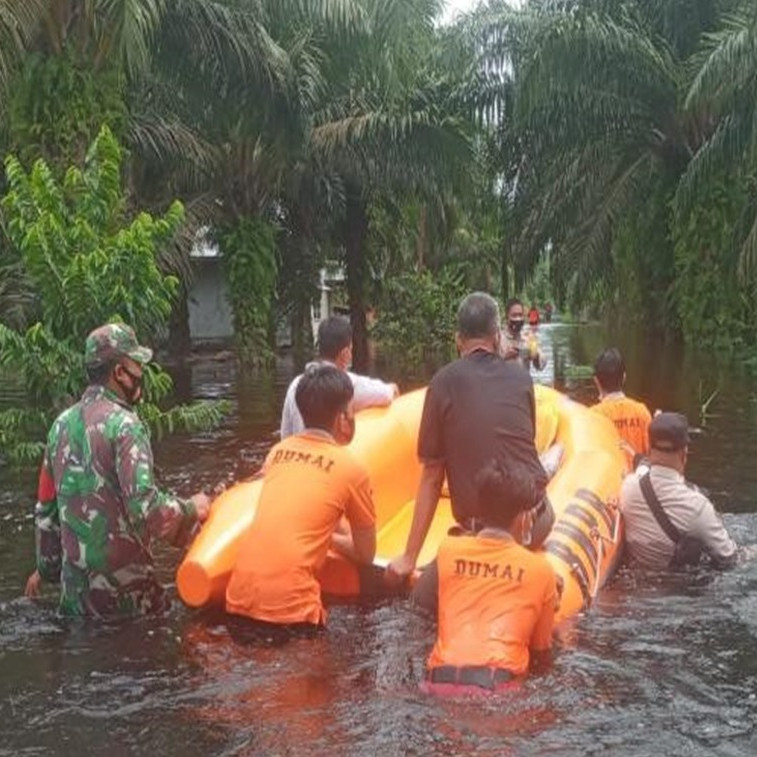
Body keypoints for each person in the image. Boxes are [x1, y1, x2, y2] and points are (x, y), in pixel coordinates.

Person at [24, 323, 211, 617]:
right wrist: (192, 509)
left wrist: (46, 571)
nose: (142, 373)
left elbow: (46, 512)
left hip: (76, 606)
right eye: (136, 364)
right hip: (128, 606)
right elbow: (147, 510)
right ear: (119, 372)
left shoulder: (59, 426)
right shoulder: (125, 426)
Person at [386, 292, 554, 609]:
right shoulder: (520, 378)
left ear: (458, 340)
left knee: (421, 602)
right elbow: (523, 444)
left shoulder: (441, 384)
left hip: (485, 528)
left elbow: (432, 476)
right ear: (497, 337)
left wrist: (410, 557)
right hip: (535, 517)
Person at [226, 364, 376, 630]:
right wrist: (329, 538)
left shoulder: (277, 453)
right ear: (343, 419)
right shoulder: (351, 469)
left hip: (237, 601)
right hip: (292, 612)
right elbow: (365, 555)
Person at [423, 460, 558, 695]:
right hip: (497, 690)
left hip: (437, 684)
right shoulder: (541, 571)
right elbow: (541, 649)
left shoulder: (448, 550)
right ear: (523, 518)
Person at [620, 412, 740, 570]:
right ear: (684, 454)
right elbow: (728, 558)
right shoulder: (697, 507)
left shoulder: (628, 486)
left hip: (637, 582)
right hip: (680, 589)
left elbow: (642, 469)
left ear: (650, 449)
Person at [280, 315, 398, 439]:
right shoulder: (347, 385)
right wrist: (392, 388)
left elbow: (285, 435)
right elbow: (387, 394)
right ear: (345, 353)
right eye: (351, 349)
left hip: (296, 454)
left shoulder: (296, 384)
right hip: (329, 454)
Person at [591, 348, 652, 470]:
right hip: (638, 484)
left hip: (608, 485)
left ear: (596, 381)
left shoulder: (592, 416)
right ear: (624, 378)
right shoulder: (642, 411)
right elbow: (652, 455)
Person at [500, 298, 546, 372]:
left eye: (520, 315)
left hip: (524, 381)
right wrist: (504, 358)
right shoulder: (498, 338)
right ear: (507, 317)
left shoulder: (528, 338)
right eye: (514, 315)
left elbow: (542, 365)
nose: (518, 319)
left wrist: (536, 356)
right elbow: (488, 368)